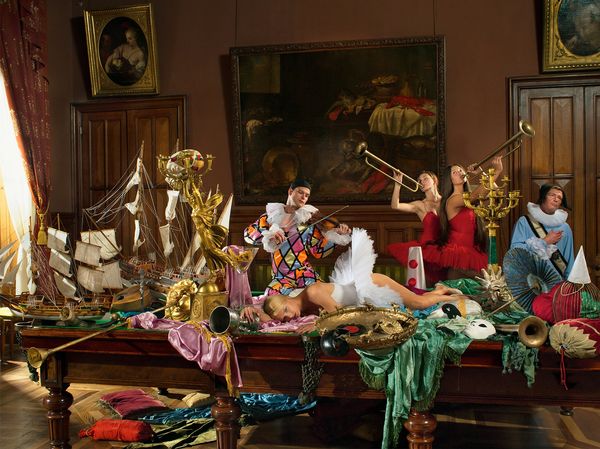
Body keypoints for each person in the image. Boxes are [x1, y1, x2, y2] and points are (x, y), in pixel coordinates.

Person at [255, 228, 459, 322]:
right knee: (416, 301)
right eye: (284, 319)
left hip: (370, 285)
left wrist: (317, 326)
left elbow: (340, 316)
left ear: (286, 300)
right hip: (361, 296)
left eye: (286, 311)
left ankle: (452, 296)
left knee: (419, 303)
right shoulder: (302, 305)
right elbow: (262, 312)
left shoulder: (313, 292)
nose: (290, 317)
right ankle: (440, 291)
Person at [244, 178, 351, 296]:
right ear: (290, 191)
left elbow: (318, 251)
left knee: (321, 295)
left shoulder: (308, 221)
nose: (304, 197)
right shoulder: (270, 216)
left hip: (305, 274)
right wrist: (269, 234)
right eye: (300, 192)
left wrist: (337, 236)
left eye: (307, 195)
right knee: (272, 298)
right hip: (281, 278)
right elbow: (248, 235)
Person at [421, 157, 503, 279]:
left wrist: (481, 172)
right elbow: (475, 196)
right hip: (459, 255)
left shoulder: (469, 195)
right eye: (454, 172)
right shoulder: (452, 200)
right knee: (490, 282)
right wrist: (497, 171)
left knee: (489, 283)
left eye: (460, 170)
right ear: (450, 180)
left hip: (471, 253)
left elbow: (495, 191)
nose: (459, 172)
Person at [386, 170, 446, 283]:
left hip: (446, 247)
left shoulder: (446, 201)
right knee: (429, 283)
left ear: (434, 180)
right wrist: (397, 185)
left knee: (447, 282)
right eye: (419, 180)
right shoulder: (420, 205)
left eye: (425, 178)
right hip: (428, 249)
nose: (422, 182)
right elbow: (395, 205)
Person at [509, 184, 574, 278]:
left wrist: (569, 283)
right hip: (530, 280)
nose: (556, 199)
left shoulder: (565, 228)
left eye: (559, 198)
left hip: (557, 281)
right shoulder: (525, 222)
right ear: (543, 197)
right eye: (552, 195)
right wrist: (544, 242)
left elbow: (569, 259)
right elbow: (515, 251)